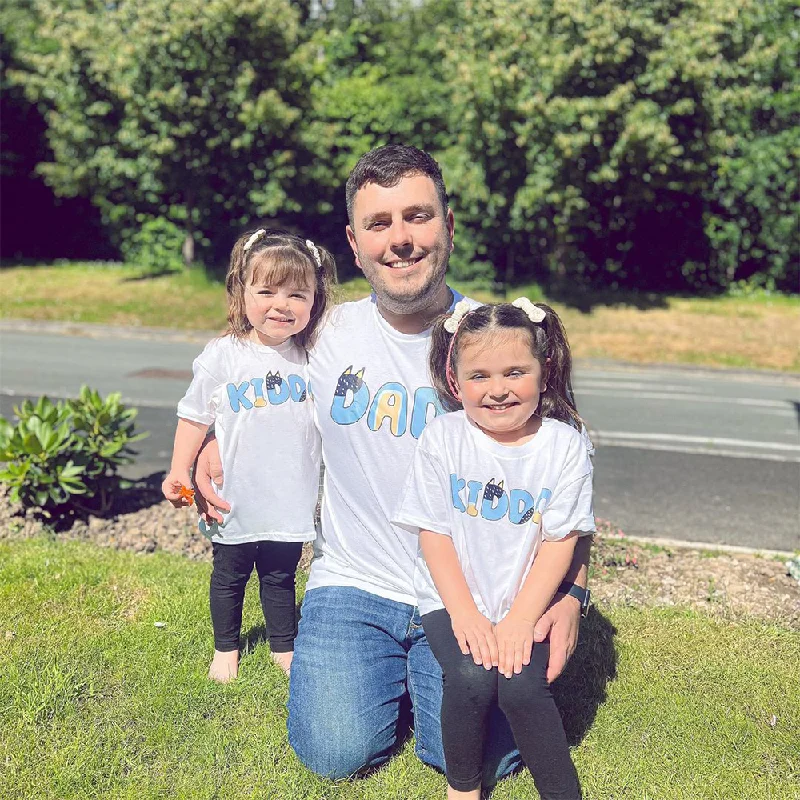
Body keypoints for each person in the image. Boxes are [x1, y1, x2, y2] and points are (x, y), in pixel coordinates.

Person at [194, 145, 592, 781]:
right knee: (335, 752)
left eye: (418, 217)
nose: (401, 240)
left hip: (476, 595)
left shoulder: (495, 342)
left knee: (470, 756)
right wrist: (218, 435)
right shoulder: (323, 333)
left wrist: (570, 594)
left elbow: (565, 478)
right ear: (354, 244)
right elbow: (246, 367)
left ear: (449, 225)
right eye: (379, 224)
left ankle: (434, 680)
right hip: (355, 584)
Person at [393, 298, 595, 800]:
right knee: (471, 677)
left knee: (523, 687)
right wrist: (465, 615)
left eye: (514, 372)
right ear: (454, 379)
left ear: (544, 373)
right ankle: (463, 789)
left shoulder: (564, 446)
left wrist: (522, 619)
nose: (498, 389)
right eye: (479, 375)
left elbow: (560, 541)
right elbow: (433, 534)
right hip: (453, 599)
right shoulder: (443, 438)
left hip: (526, 597)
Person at [162, 229, 334, 682]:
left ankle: (284, 644)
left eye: (298, 293)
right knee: (230, 576)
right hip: (233, 495)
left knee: (280, 576)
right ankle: (226, 647)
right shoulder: (224, 355)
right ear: (242, 291)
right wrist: (180, 467)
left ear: (316, 299)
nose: (282, 304)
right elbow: (193, 415)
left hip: (288, 497)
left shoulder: (314, 358)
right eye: (266, 291)